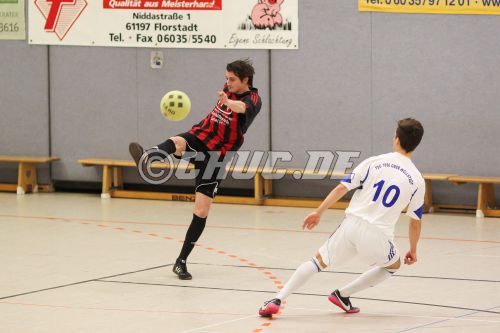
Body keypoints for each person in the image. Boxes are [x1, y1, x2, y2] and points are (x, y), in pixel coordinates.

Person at [259, 118, 425, 316]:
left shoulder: (374, 162)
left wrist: (318, 211)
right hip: (378, 235)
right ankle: (343, 294)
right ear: (416, 144)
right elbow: (415, 221)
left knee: (317, 261)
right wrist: (413, 250)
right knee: (393, 265)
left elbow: (341, 188)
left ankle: (278, 298)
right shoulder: (417, 179)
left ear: (396, 139)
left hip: (350, 226)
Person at [129, 59, 262, 280]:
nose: (227, 83)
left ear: (245, 80)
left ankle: (181, 261)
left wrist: (227, 101)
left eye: (232, 80)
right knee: (178, 141)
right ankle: (147, 157)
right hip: (201, 136)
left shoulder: (253, 99)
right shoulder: (229, 90)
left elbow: (241, 107)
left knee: (201, 211)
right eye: (226, 78)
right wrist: (227, 97)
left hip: (216, 157)